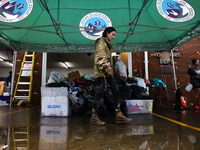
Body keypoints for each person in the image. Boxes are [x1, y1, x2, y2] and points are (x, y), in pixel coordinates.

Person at [90, 27, 132, 125]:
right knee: (99, 94)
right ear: (107, 33)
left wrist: (112, 60)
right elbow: (100, 56)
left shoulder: (107, 44)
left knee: (116, 91)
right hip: (101, 72)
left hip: (107, 72)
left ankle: (118, 115)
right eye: (112, 34)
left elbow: (104, 56)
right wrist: (104, 64)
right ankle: (93, 117)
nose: (114, 37)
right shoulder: (101, 42)